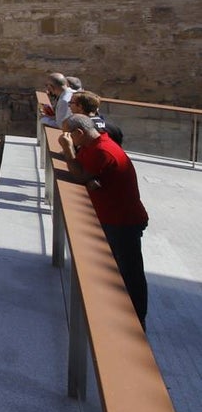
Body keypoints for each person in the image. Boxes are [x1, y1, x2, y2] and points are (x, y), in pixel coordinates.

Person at [59, 114, 149, 328]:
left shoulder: (102, 150)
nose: (65, 137)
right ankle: (121, 313)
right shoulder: (96, 144)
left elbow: (79, 175)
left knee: (129, 271)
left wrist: (69, 150)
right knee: (117, 268)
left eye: (68, 134)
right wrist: (88, 177)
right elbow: (84, 174)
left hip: (122, 220)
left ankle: (137, 321)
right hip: (113, 217)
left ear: (79, 133)